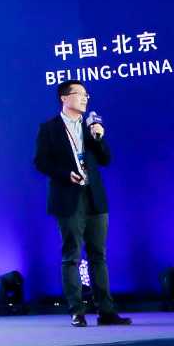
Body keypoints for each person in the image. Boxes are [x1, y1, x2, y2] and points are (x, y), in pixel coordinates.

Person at [33, 79, 129, 326]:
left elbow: (105, 159)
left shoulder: (91, 127)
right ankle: (77, 311)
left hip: (94, 198)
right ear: (64, 98)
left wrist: (98, 137)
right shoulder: (49, 128)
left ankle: (106, 311)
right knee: (72, 256)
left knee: (99, 255)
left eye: (87, 94)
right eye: (80, 94)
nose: (85, 98)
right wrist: (65, 174)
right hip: (68, 198)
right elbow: (41, 162)